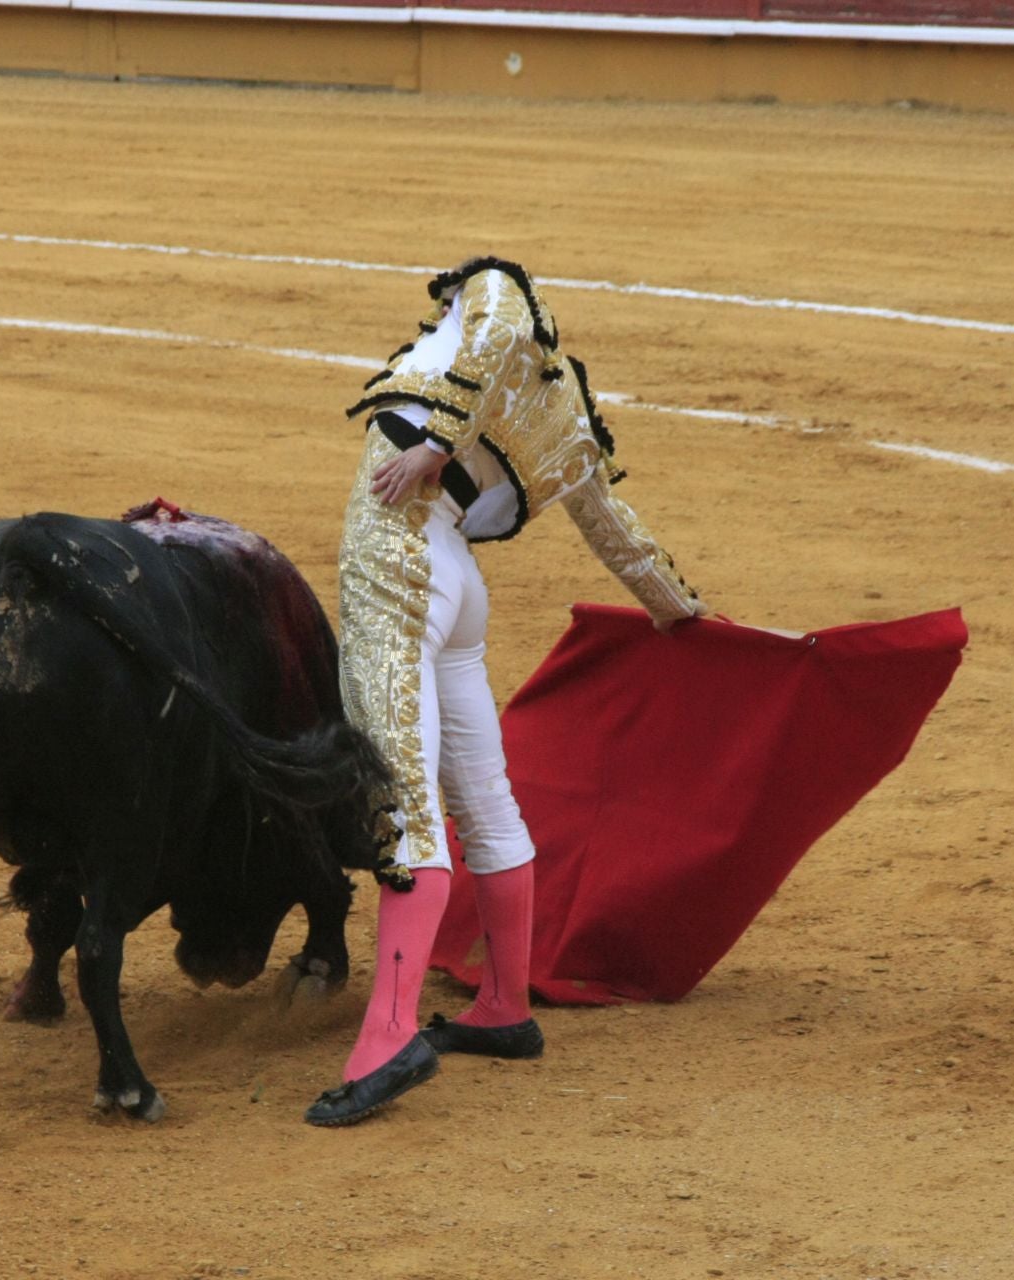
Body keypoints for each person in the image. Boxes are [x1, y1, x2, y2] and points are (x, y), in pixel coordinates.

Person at [304, 257, 710, 1127]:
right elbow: (619, 535)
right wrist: (685, 616)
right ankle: (504, 1007)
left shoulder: (495, 287)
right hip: (456, 580)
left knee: (402, 799)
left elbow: (489, 336)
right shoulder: (568, 420)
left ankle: (388, 1037)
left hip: (398, 553)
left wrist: (437, 444)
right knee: (484, 802)